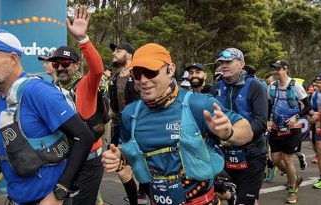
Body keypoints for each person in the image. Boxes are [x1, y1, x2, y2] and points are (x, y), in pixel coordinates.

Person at [102, 43, 253, 205]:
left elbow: (246, 131)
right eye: (137, 73)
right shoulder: (130, 114)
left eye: (150, 72)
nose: (144, 80)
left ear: (171, 70)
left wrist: (229, 133)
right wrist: (119, 158)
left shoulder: (199, 105)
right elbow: (129, 156)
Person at [0, 28, 95, 204]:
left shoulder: (36, 91)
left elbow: (84, 136)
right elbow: (0, 153)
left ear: (12, 59)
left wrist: (60, 192)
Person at [47, 5, 107, 205]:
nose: (61, 68)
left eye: (65, 64)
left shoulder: (85, 84)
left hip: (89, 161)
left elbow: (97, 69)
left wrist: (83, 39)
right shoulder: (52, 88)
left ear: (75, 65)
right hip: (64, 159)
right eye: (56, 64)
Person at [211, 48, 268, 205]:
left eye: (228, 62)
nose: (224, 65)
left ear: (241, 64)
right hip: (224, 156)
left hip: (252, 155)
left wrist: (233, 136)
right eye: (221, 62)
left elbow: (261, 122)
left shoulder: (256, 86)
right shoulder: (216, 87)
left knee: (245, 201)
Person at [268, 60, 311, 204]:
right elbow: (269, 104)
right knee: (275, 160)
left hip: (293, 128)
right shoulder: (272, 86)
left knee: (287, 159)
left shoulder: (296, 86)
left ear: (286, 69)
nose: (276, 71)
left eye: (278, 69)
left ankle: (292, 190)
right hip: (275, 127)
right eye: (274, 69)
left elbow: (308, 106)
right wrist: (268, 119)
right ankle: (294, 177)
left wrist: (296, 116)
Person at [108, 42, 144, 205]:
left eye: (118, 51)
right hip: (121, 129)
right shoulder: (114, 79)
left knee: (145, 167)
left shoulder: (140, 75)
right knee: (122, 171)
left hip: (141, 129)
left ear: (129, 55)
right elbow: (113, 109)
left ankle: (149, 195)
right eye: (114, 51)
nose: (114, 53)